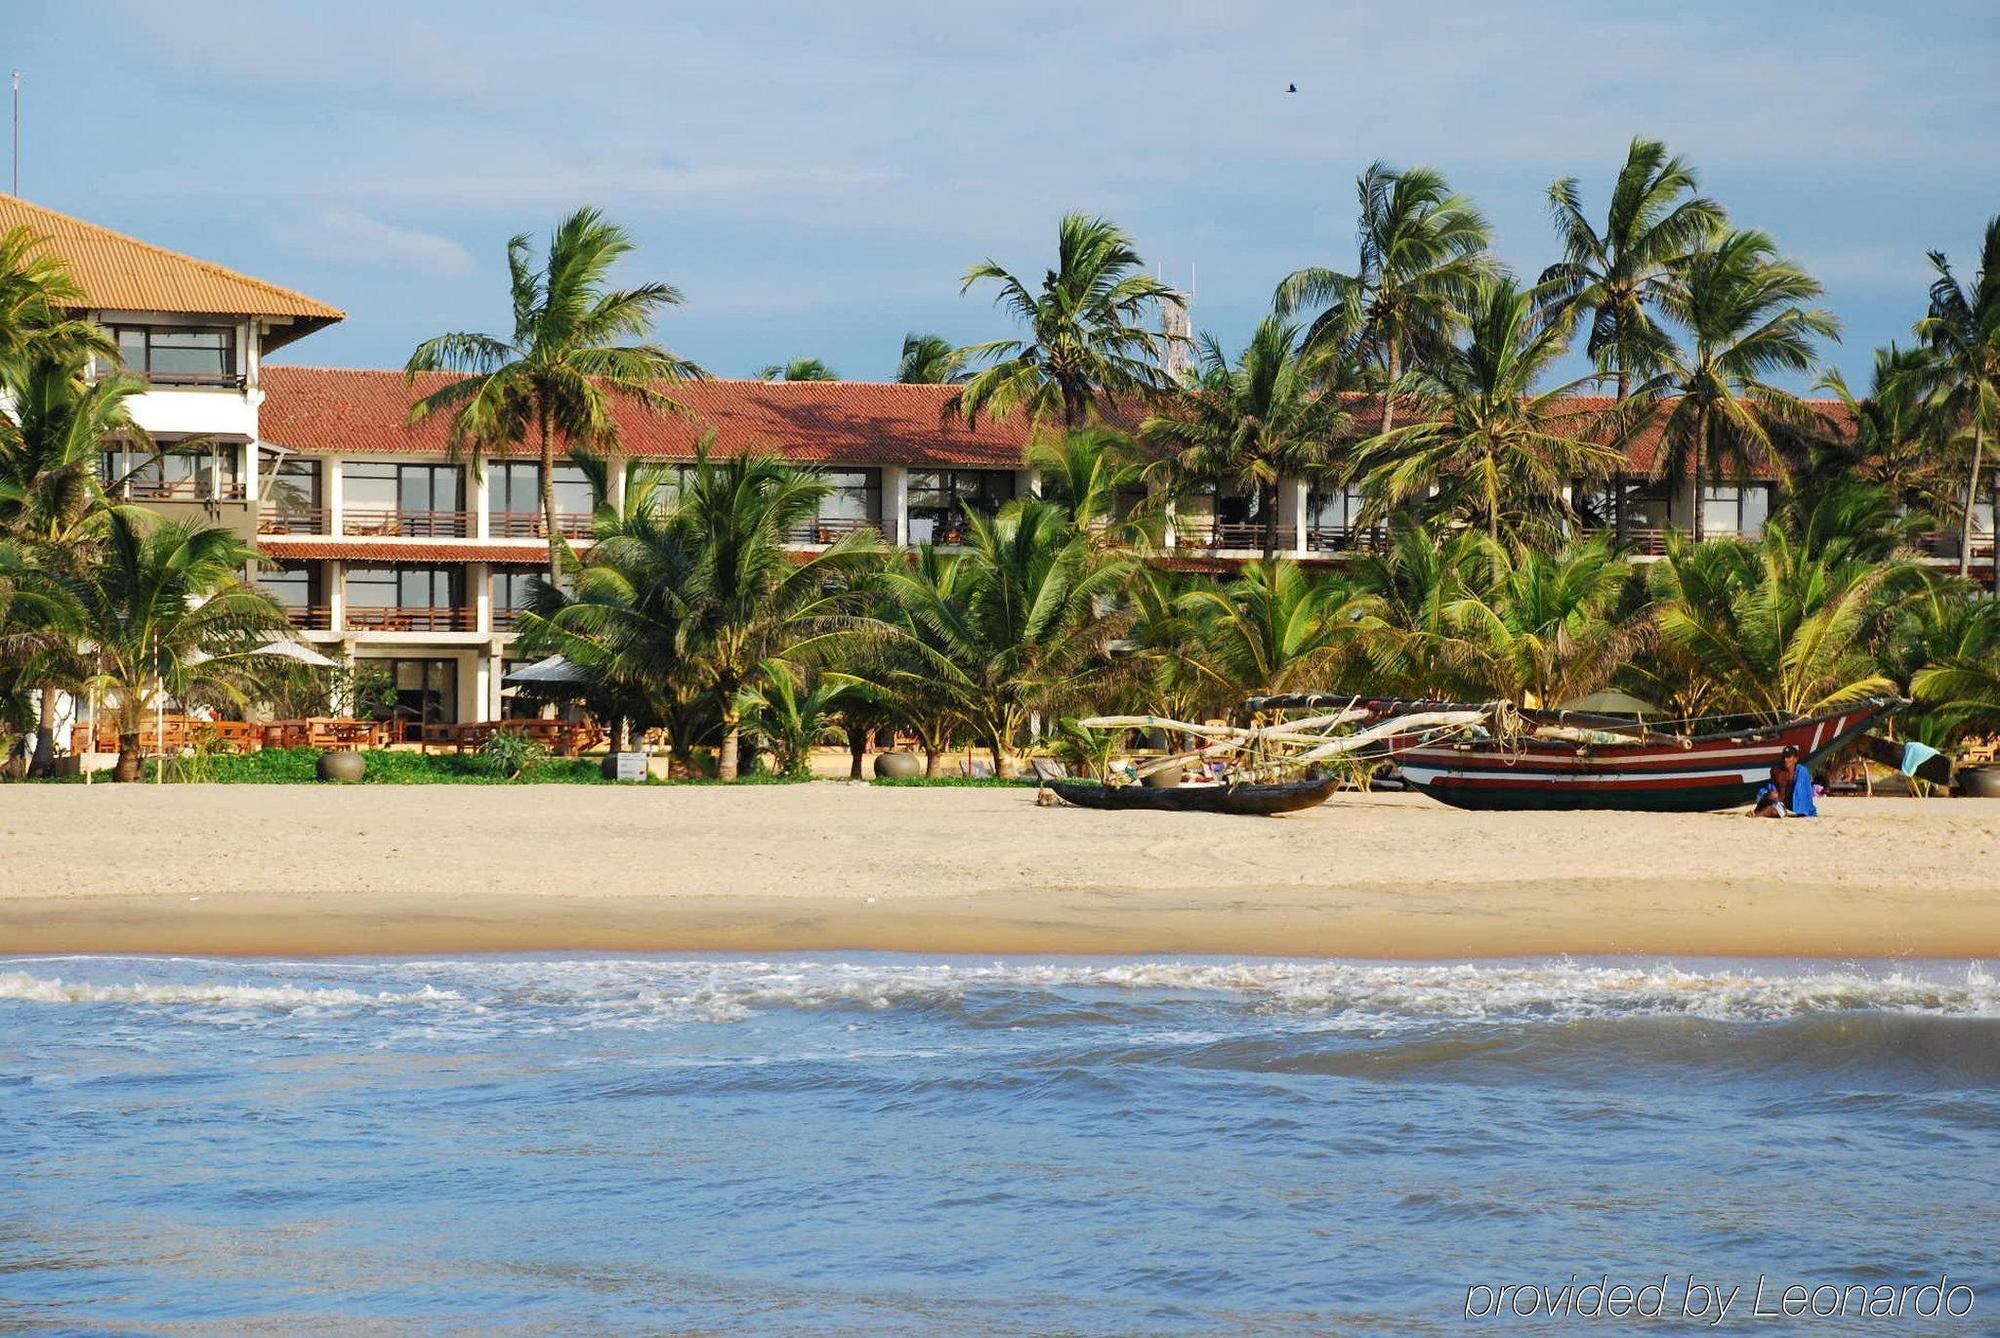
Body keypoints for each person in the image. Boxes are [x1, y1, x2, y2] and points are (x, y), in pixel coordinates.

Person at [1751, 745, 1817, 818]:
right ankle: (1756, 812)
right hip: (1776, 802)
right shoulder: (1776, 771)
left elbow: (1804, 793)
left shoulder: (1801, 772)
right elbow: (1771, 787)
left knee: (1775, 811)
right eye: (1784, 757)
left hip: (1790, 806)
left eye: (1788, 757)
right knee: (1773, 795)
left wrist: (1802, 811)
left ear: (1796, 759)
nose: (1785, 759)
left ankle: (1756, 814)